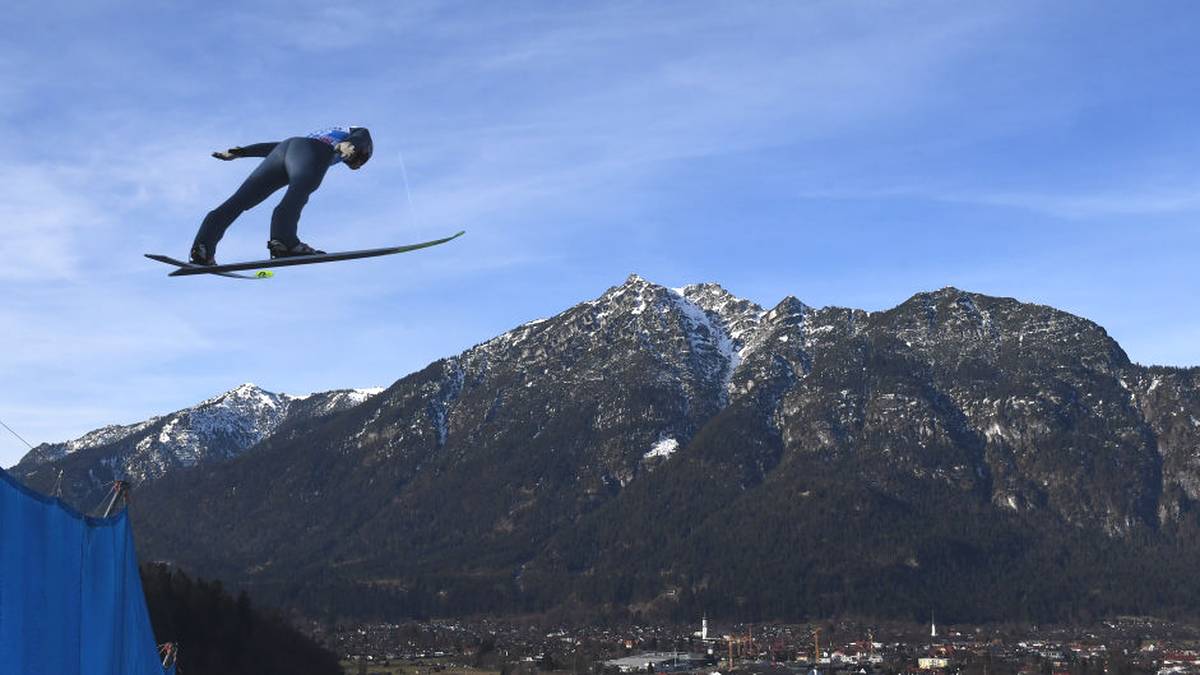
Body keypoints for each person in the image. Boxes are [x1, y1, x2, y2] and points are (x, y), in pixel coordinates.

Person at [189, 126, 373, 265]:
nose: (352, 163)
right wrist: (353, 144)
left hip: (284, 149)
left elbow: (281, 147)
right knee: (299, 191)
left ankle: (202, 248)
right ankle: (285, 241)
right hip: (311, 151)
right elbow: (362, 133)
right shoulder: (348, 135)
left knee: (239, 200)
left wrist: (244, 151)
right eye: (356, 161)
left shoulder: (324, 134)